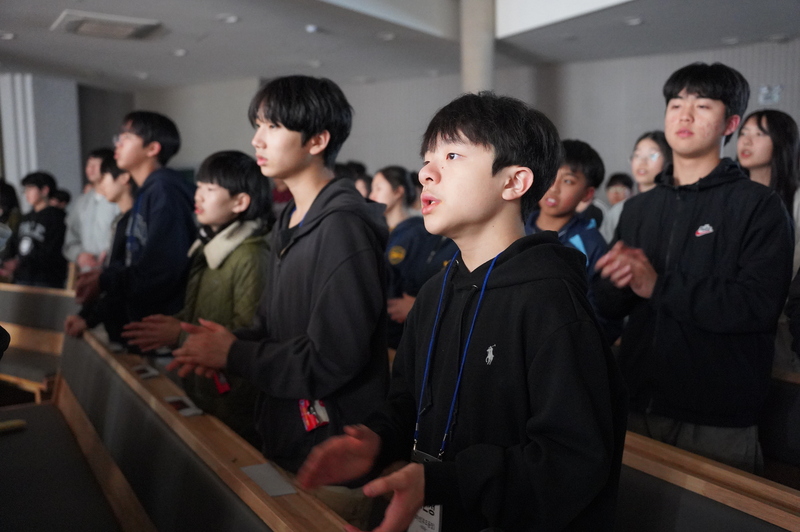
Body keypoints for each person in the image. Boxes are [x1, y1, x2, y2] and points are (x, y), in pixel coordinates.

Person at [298, 92, 627, 532]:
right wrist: (377, 440)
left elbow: (572, 461)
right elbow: (409, 402)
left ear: (514, 182)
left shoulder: (551, 303)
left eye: (452, 156)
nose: (426, 173)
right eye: (427, 159)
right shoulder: (435, 291)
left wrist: (444, 482)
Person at [167, 76, 389, 527]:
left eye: (272, 126)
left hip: (330, 450)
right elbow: (271, 325)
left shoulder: (342, 227)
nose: (257, 139)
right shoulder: (290, 218)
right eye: (258, 125)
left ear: (317, 141)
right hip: (286, 432)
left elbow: (334, 357)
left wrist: (235, 353)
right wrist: (223, 346)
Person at [595, 62, 793, 473]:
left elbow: (757, 306)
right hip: (637, 403)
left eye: (702, 106)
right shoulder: (638, 208)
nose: (684, 116)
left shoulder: (758, 205)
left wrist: (658, 285)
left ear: (730, 124)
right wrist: (611, 282)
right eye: (675, 105)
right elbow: (613, 307)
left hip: (717, 416)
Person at [121, 151, 273, 445]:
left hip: (235, 403)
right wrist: (174, 324)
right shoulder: (208, 245)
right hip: (206, 391)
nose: (198, 196)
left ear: (240, 202)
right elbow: (200, 312)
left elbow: (250, 336)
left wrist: (179, 334)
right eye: (200, 186)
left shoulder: (250, 256)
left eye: (210, 189)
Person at [75, 111, 196, 332]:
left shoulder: (164, 190)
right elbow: (136, 262)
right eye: (118, 138)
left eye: (127, 138)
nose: (118, 144)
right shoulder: (147, 191)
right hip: (145, 321)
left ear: (152, 148)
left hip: (163, 325)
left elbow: (162, 267)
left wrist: (106, 280)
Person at [526, 139, 620, 342]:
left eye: (568, 181)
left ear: (587, 194)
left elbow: (602, 314)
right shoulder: (515, 227)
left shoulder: (591, 243)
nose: (554, 188)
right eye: (550, 175)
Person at [368, 165, 457, 352]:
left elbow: (413, 281)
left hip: (401, 332)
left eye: (378, 188)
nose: (371, 195)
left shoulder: (415, 232)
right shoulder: (382, 231)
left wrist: (415, 304)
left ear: (398, 192)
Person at [737, 110, 800, 371]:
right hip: (733, 321)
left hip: (784, 327)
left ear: (782, 141)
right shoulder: (731, 198)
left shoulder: (796, 200)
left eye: (759, 134)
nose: (746, 141)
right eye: (743, 133)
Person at [64, 155, 137, 345]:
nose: (100, 183)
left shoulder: (134, 221)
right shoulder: (118, 219)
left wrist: (88, 318)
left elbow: (125, 278)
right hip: (109, 309)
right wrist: (85, 315)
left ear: (124, 178)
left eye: (104, 176)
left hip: (132, 322)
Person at [600, 131, 672, 243]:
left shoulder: (674, 206)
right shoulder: (620, 210)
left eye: (652, 155)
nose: (642, 162)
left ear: (668, 160)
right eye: (637, 155)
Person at [0, 171, 67, 287]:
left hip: (46, 279)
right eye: (25, 189)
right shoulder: (25, 218)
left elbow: (53, 250)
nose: (26, 193)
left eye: (30, 189)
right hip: (22, 277)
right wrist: (6, 262)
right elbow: (14, 243)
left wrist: (19, 262)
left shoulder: (57, 218)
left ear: (45, 190)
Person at [63, 148, 120, 273]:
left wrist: (110, 253)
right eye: (88, 165)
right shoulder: (82, 201)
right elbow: (71, 236)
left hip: (114, 270)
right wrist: (79, 255)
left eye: (95, 165)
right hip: (86, 271)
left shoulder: (118, 198)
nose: (90, 169)